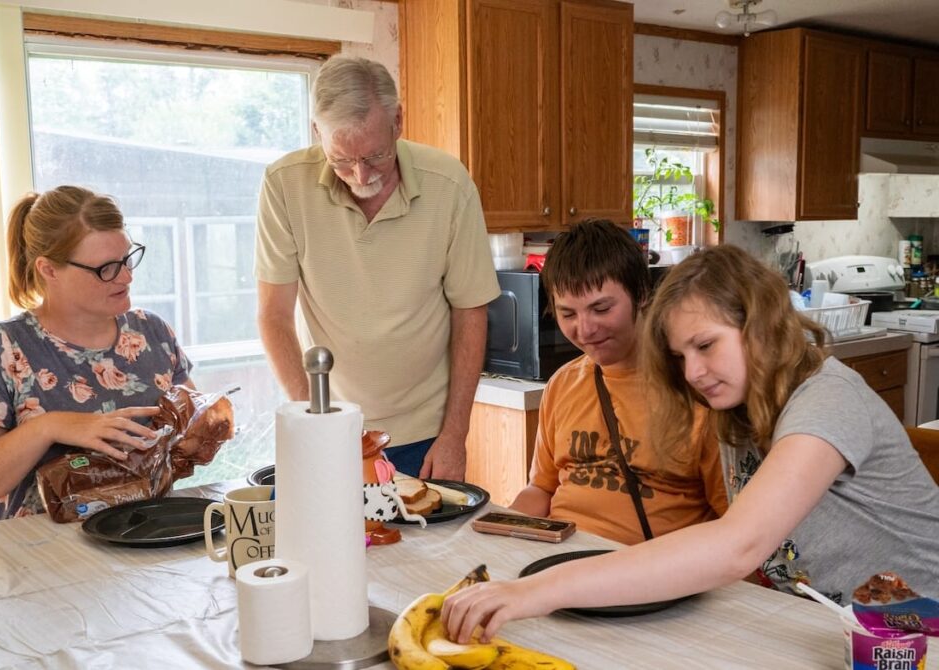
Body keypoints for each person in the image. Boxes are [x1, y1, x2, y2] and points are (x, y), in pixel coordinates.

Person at [443, 245, 939, 643]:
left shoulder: (829, 398)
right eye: (681, 355)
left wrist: (538, 591)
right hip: (829, 627)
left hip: (920, 629)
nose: (694, 373)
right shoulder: (736, 408)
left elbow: (737, 546)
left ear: (760, 322)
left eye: (705, 345)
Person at [256, 55, 498, 479]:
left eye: (375, 156)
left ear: (398, 120)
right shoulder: (284, 185)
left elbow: (470, 312)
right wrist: (314, 420)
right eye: (341, 160)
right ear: (317, 133)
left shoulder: (449, 184)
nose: (360, 175)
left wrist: (455, 434)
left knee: (432, 547)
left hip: (426, 434)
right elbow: (274, 316)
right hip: (331, 427)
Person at [0, 186, 193, 521]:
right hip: (42, 557)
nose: (127, 276)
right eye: (106, 268)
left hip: (148, 536)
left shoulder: (152, 334)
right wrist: (47, 427)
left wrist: (201, 427)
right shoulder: (0, 348)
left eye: (128, 258)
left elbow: (190, 432)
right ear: (49, 270)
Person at [509, 219, 727, 545]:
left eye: (601, 308)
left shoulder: (699, 389)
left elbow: (732, 522)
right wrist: (500, 530)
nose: (584, 330)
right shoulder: (562, 384)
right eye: (568, 314)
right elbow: (541, 489)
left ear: (641, 293)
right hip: (557, 567)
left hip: (654, 579)